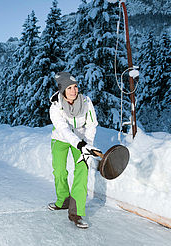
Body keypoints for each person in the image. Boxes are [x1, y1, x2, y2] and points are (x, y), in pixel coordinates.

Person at [48, 71, 100, 229]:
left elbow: (92, 124)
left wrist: (88, 144)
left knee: (82, 170)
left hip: (83, 139)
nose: (74, 90)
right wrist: (78, 144)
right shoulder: (56, 106)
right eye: (69, 88)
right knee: (59, 171)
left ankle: (76, 212)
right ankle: (63, 199)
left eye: (75, 87)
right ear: (63, 90)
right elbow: (64, 130)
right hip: (60, 139)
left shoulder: (86, 101)